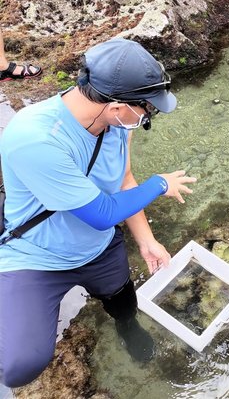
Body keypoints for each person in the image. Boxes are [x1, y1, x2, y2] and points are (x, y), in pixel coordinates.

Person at [0, 38, 196, 387]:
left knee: (123, 302)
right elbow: (104, 213)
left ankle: (127, 326)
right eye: (147, 110)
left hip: (97, 247)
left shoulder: (116, 124)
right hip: (37, 254)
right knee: (20, 365)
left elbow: (122, 180)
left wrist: (146, 240)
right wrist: (159, 185)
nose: (148, 116)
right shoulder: (34, 137)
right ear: (118, 105)